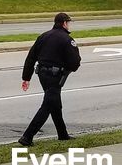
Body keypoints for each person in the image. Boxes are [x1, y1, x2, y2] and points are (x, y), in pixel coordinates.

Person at [18, 13, 81, 145]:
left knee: (55, 103)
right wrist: (68, 68)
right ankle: (27, 137)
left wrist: (26, 77)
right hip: (55, 76)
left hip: (42, 74)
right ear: (64, 23)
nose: (69, 25)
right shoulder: (67, 39)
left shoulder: (43, 36)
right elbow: (75, 62)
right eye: (69, 23)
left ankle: (62, 134)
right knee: (48, 105)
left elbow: (31, 57)